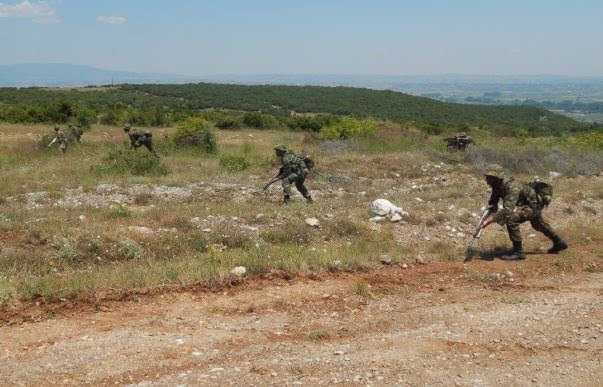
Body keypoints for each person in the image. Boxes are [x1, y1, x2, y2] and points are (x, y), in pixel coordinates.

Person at [481, 164, 568, 260]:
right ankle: (559, 242)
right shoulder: (496, 185)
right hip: (529, 205)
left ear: (496, 178)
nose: (486, 180)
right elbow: (495, 198)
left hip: (532, 206)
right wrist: (493, 204)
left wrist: (488, 221)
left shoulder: (512, 187)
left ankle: (519, 252)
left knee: (511, 219)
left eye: (489, 177)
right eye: (487, 177)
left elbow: (507, 211)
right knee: (538, 224)